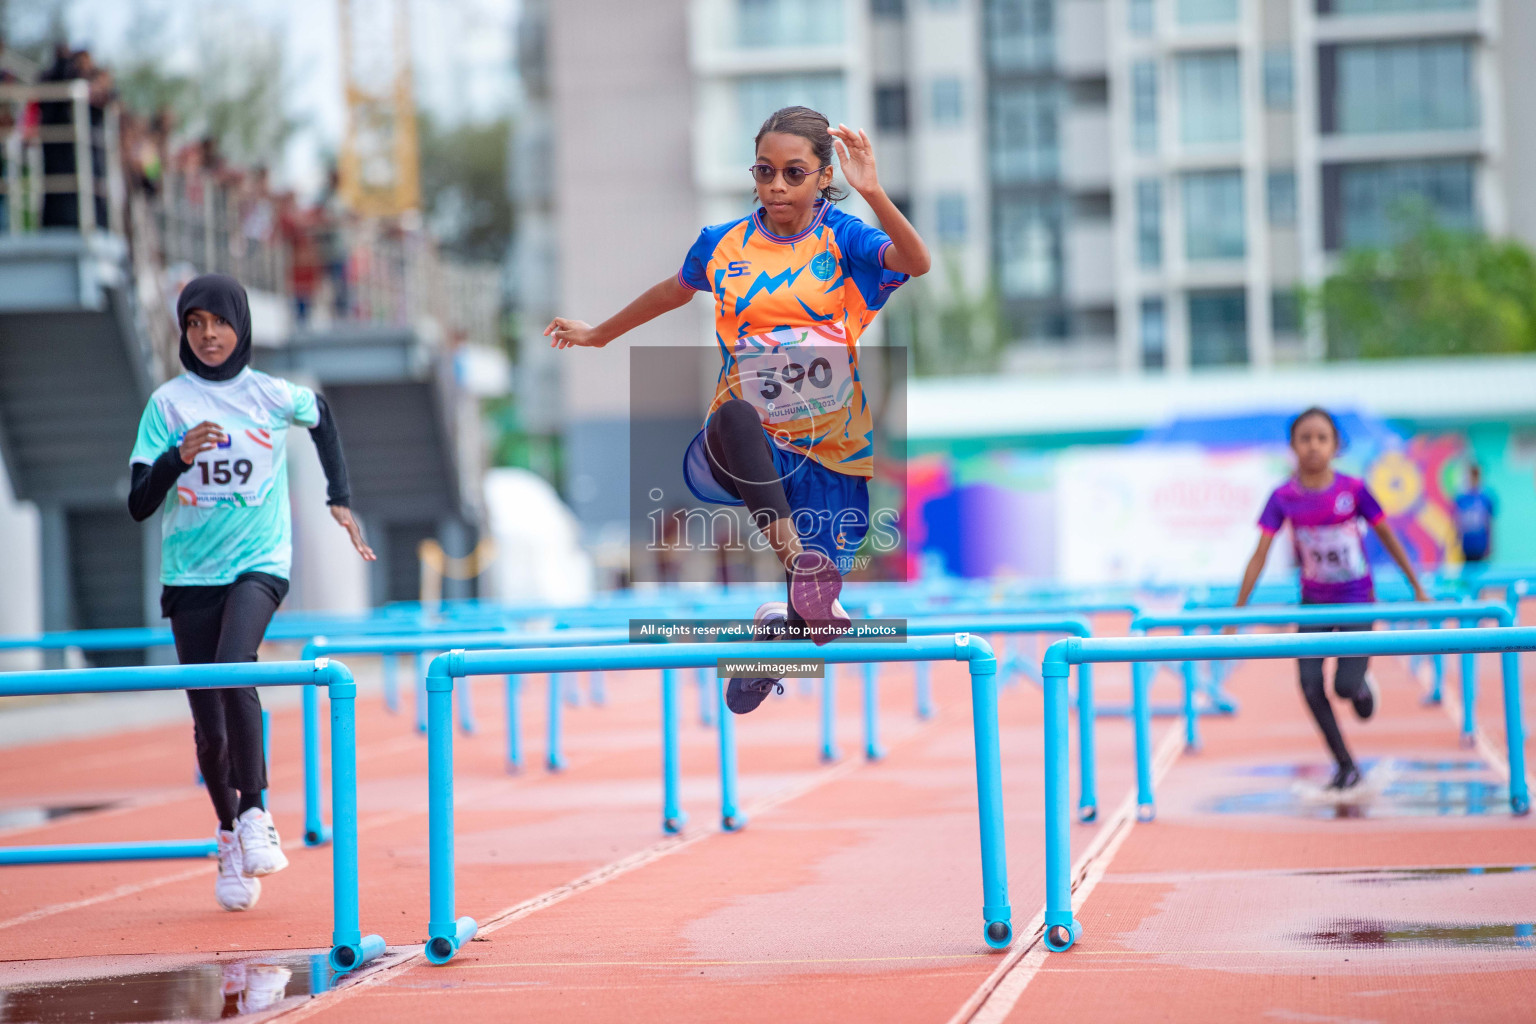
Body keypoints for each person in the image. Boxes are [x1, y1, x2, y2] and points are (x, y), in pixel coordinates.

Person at [544, 106, 929, 714]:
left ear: (823, 178)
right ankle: (797, 566)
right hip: (747, 443)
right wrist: (600, 334)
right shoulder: (722, 244)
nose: (776, 185)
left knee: (817, 622)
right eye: (765, 171)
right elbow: (672, 290)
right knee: (733, 417)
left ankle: (775, 635)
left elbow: (916, 262)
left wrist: (875, 193)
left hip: (830, 450)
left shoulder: (847, 237)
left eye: (794, 173)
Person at [127, 273, 375, 911]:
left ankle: (258, 810)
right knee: (208, 730)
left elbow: (324, 418)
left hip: (260, 563)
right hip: (189, 577)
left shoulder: (270, 394)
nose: (209, 335)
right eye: (195, 323)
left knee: (238, 667)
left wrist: (339, 497)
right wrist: (177, 459)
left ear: (242, 325)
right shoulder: (167, 405)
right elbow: (138, 504)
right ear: (184, 330)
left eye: (220, 322)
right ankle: (230, 831)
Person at [1233, 407, 1428, 794]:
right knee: (1308, 685)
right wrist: (1238, 610)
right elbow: (1260, 554)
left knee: (1343, 688)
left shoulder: (1353, 490)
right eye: (1304, 438)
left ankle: (1360, 687)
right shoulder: (1283, 497)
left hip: (1356, 601)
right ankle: (1346, 765)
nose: (1313, 446)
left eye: (1321, 438)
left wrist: (1416, 587)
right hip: (1314, 604)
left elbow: (1387, 537)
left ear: (1335, 446)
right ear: (1292, 447)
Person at [1454, 463, 1496, 566]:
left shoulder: (1486, 498)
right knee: (1467, 574)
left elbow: (1490, 524)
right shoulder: (1461, 498)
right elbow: (1457, 523)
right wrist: (1456, 543)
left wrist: (1490, 546)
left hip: (1481, 546)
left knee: (1481, 572)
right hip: (1466, 546)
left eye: (1476, 475)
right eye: (1471, 475)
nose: (1474, 478)